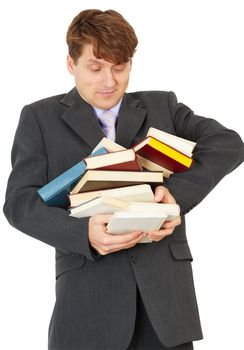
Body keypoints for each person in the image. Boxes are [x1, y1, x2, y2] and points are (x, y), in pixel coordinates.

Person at [3, 8, 244, 350]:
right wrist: (82, 233)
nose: (109, 81)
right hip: (87, 307)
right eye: (95, 67)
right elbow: (19, 204)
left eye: (120, 67)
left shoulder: (163, 107)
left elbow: (229, 143)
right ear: (71, 64)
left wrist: (174, 194)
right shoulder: (39, 118)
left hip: (165, 311)